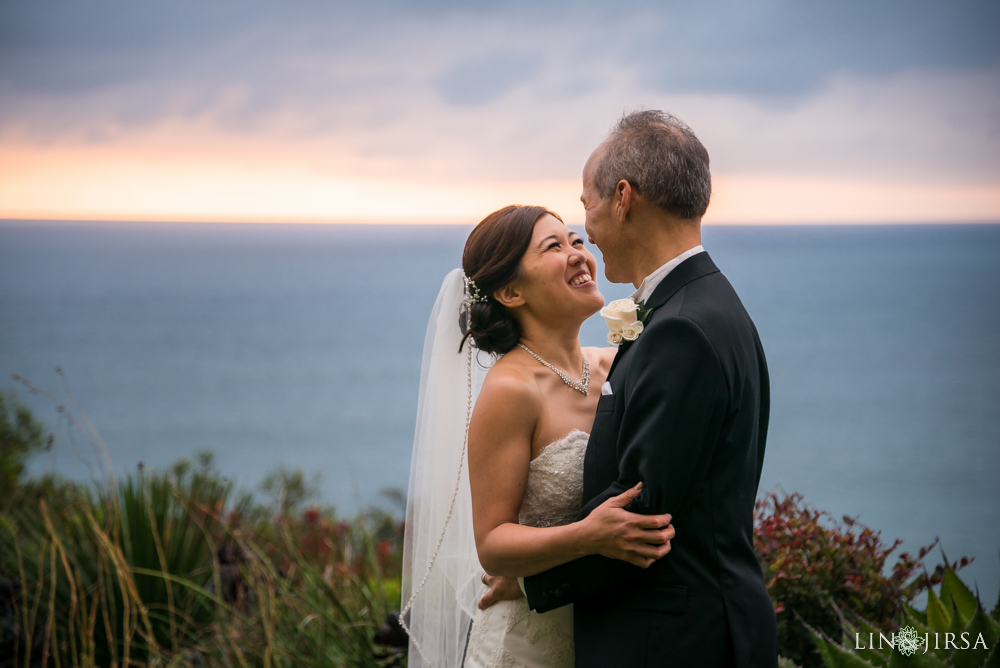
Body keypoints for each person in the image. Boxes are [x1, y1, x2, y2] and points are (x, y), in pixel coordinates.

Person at [518, 110, 779, 667]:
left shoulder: (681, 327)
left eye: (586, 205)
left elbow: (641, 517)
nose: (584, 228)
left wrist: (528, 583)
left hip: (672, 641)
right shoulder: (711, 305)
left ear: (623, 197)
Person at [401, 204, 676, 667]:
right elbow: (492, 544)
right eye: (554, 246)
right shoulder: (512, 391)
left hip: (603, 632)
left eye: (576, 241)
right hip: (525, 648)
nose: (578, 254)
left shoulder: (614, 364)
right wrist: (587, 537)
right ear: (511, 291)